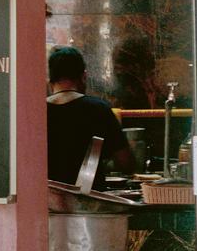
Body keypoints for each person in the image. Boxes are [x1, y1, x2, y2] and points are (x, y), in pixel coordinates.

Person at [46, 46, 136, 189]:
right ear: (84, 76)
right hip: (91, 202)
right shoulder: (99, 109)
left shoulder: (37, 112)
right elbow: (126, 163)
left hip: (46, 201)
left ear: (50, 81)